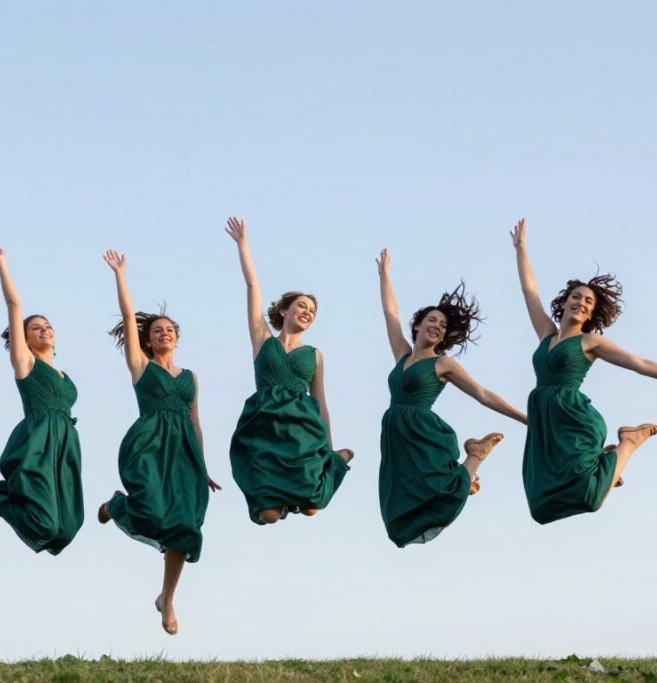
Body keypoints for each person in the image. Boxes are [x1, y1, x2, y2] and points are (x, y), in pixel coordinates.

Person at [511, 218, 657, 524]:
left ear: (591, 314)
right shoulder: (546, 333)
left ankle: (628, 442)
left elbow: (639, 364)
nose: (581, 302)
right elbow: (529, 290)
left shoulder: (590, 342)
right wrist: (521, 248)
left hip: (572, 419)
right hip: (546, 421)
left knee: (591, 498)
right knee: (540, 508)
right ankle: (605, 466)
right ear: (564, 302)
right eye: (576, 296)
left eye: (588, 301)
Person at [97, 250, 220, 635]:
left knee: (185, 526)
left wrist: (203, 467)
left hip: (184, 452)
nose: (164, 333)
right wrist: (121, 275)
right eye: (156, 331)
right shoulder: (141, 366)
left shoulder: (191, 377)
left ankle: (167, 598)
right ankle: (118, 505)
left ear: (177, 338)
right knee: (151, 512)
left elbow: (196, 422)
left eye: (169, 330)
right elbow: (127, 315)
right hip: (149, 445)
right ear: (147, 341)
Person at [375, 248, 526, 546]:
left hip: (420, 433)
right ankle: (466, 472)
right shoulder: (402, 354)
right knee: (399, 513)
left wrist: (525, 418)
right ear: (418, 325)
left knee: (441, 500)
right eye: (432, 320)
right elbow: (390, 313)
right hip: (396, 437)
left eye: (443, 326)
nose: (437, 327)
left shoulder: (443, 364)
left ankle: (475, 456)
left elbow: (483, 394)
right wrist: (384, 275)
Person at [0, 243, 84, 555]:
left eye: (48, 326)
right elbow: (14, 306)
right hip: (37, 439)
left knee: (67, 527)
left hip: (64, 444)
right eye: (35, 328)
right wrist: (2, 263)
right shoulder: (26, 364)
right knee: (44, 523)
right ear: (23, 339)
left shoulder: (64, 375)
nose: (44, 330)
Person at [224, 216, 353, 525]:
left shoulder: (315, 355)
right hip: (264, 426)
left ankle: (340, 459)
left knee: (311, 507)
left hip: (301, 430)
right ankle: (281, 499)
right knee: (268, 515)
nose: (307, 312)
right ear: (284, 310)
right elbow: (253, 286)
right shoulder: (262, 339)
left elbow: (321, 402)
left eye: (312, 311)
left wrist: (328, 448)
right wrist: (242, 244)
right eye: (302, 306)